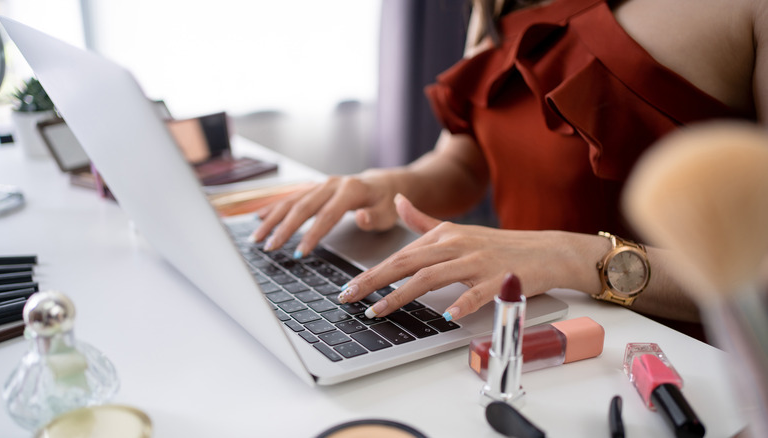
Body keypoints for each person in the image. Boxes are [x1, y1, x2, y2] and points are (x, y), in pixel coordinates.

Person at [248, 0, 767, 328]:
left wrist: (570, 256)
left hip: (679, 356)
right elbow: (467, 160)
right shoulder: (497, 7)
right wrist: (391, 184)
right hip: (521, 324)